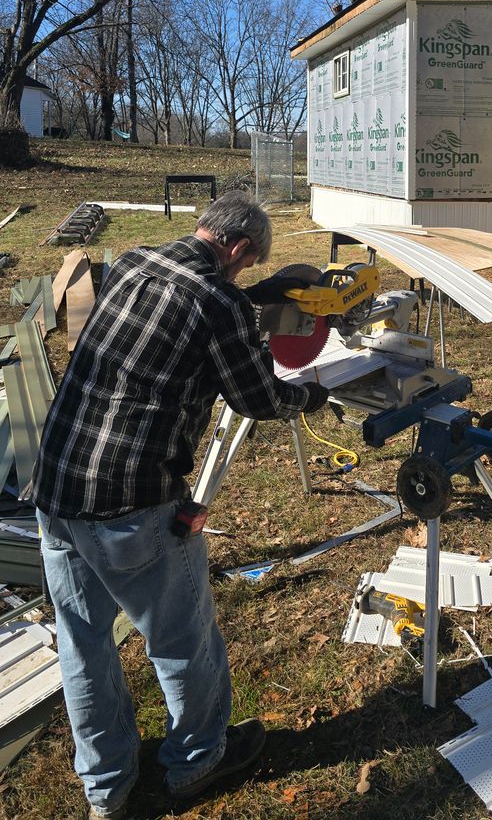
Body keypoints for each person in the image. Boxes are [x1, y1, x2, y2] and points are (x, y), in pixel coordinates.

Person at [28, 192, 328, 820]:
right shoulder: (220, 305)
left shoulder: (134, 261)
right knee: (182, 641)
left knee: (83, 645)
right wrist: (310, 395)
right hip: (130, 500)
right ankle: (197, 761)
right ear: (239, 247)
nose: (243, 276)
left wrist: (252, 293)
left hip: (56, 487)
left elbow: (183, 309)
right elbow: (257, 398)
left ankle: (106, 786)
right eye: (247, 265)